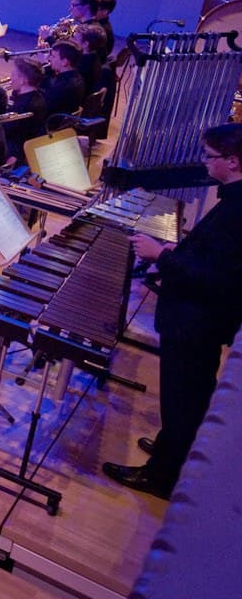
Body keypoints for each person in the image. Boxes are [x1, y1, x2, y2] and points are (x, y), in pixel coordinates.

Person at [103, 124, 242, 500]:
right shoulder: (233, 200)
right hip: (199, 321)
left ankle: (161, 477)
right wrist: (172, 251)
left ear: (232, 161)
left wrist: (161, 255)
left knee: (183, 399)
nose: (203, 162)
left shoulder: (236, 213)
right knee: (186, 397)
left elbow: (220, 281)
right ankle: (171, 449)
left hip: (196, 324)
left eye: (209, 156)